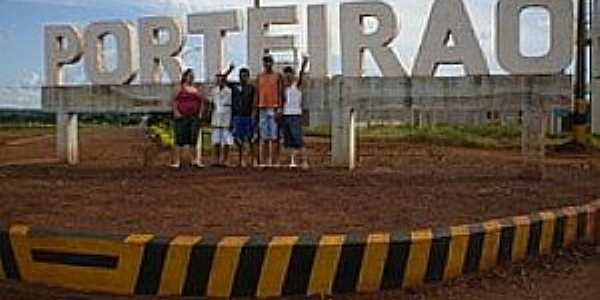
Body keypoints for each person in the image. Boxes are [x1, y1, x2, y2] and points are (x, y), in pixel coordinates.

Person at [223, 66, 257, 167]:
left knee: (250, 139)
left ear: (248, 77)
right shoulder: (234, 86)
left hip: (248, 116)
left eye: (245, 76)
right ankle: (241, 159)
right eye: (241, 76)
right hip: (237, 116)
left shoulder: (251, 88)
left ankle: (254, 159)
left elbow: (254, 102)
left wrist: (253, 115)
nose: (243, 78)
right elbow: (223, 80)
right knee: (238, 139)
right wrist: (229, 70)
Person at [171, 68, 205, 168]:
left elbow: (202, 101)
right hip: (182, 116)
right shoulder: (179, 88)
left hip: (194, 117)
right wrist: (176, 112)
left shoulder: (196, 88)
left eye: (193, 76)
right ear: (185, 77)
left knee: (193, 139)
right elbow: (174, 101)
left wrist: (200, 113)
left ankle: (194, 160)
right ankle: (177, 161)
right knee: (179, 139)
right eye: (190, 75)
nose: (191, 77)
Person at [282, 56, 309, 169]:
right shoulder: (284, 88)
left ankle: (304, 161)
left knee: (298, 139)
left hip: (295, 115)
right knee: (289, 141)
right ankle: (292, 161)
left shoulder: (296, 86)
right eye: (286, 74)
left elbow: (301, 76)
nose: (288, 76)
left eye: (290, 74)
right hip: (286, 115)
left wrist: (303, 64)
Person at [256, 55, 283, 166]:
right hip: (262, 107)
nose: (267, 64)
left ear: (272, 63)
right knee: (264, 137)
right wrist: (255, 109)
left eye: (269, 62)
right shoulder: (260, 77)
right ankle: (265, 161)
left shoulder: (278, 76)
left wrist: (280, 108)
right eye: (265, 62)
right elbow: (257, 93)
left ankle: (275, 161)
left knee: (275, 137)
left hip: (274, 107)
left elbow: (281, 92)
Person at [209, 73, 234, 167]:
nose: (220, 81)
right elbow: (211, 103)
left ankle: (225, 160)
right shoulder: (214, 91)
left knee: (226, 140)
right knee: (216, 140)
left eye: (221, 80)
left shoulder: (230, 91)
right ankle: (216, 160)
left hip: (227, 114)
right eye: (218, 80)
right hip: (216, 114)